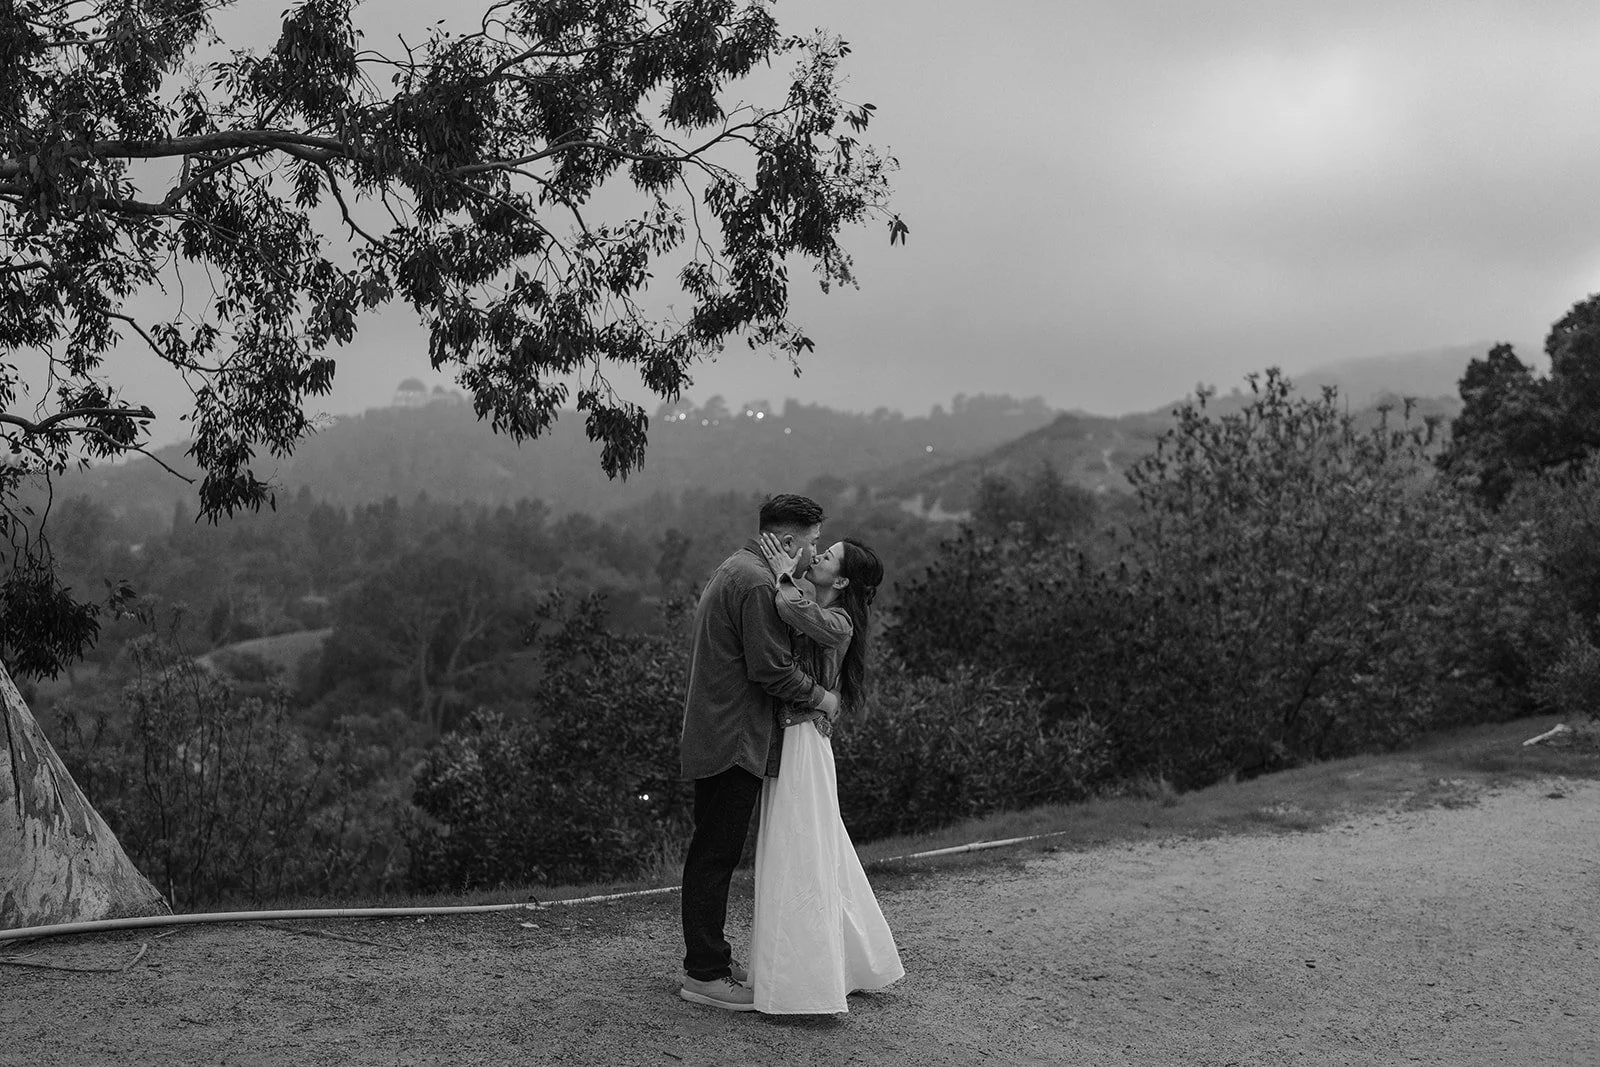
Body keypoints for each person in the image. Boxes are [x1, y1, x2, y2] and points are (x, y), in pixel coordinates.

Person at [678, 494, 841, 1012]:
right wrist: (824, 699)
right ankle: (705, 973)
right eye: (812, 543)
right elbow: (770, 668)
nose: (813, 552)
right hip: (733, 736)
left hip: (723, 728)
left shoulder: (741, 567)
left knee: (715, 849)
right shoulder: (754, 583)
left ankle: (714, 960)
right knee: (716, 853)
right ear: (789, 541)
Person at [748, 533, 905, 1015]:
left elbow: (797, 612)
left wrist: (782, 572)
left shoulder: (839, 622)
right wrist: (790, 575)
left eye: (828, 555)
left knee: (802, 846)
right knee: (810, 844)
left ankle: (807, 980)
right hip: (797, 738)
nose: (817, 555)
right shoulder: (817, 602)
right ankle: (846, 962)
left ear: (840, 579)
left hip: (803, 742)